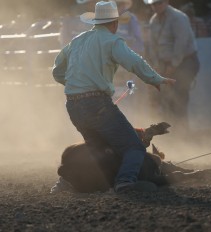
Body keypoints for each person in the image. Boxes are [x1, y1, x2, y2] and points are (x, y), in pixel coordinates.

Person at [51, 1, 176, 193]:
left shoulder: (77, 40)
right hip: (97, 104)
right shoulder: (112, 41)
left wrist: (75, 85)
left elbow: (57, 71)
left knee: (98, 150)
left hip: (74, 105)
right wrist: (155, 79)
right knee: (133, 147)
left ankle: (79, 183)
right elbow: (134, 61)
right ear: (115, 23)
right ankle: (125, 182)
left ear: (95, 21)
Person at [143, 0, 200, 132]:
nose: (155, 6)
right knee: (166, 99)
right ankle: (173, 132)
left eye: (158, 3)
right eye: (153, 4)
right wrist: (157, 65)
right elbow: (153, 46)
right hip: (166, 64)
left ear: (166, 2)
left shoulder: (179, 17)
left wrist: (173, 65)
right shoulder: (154, 20)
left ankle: (182, 132)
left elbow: (181, 43)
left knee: (179, 97)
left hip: (185, 62)